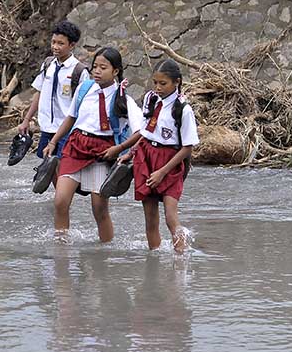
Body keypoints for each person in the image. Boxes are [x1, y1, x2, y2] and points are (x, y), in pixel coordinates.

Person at [43, 47, 143, 242]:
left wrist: (119, 149)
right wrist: (53, 142)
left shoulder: (123, 98)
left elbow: (142, 131)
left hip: (102, 152)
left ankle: (104, 254)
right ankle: (61, 248)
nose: (97, 71)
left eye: (103, 67)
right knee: (60, 201)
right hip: (75, 147)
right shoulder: (84, 89)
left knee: (99, 208)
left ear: (115, 71)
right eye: (95, 66)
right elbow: (71, 118)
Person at [123, 59, 198, 252]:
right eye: (155, 82)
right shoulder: (151, 99)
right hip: (146, 157)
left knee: (170, 217)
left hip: (169, 163)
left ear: (177, 82)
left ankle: (181, 260)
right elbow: (146, 133)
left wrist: (162, 172)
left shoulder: (183, 109)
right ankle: (154, 258)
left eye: (163, 83)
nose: (158, 87)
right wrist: (130, 153)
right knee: (150, 218)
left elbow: (186, 148)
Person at [17, 21, 90, 170]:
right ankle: (58, 193)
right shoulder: (48, 65)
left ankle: (63, 193)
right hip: (47, 127)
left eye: (61, 43)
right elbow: (39, 92)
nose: (55, 47)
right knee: (48, 166)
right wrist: (26, 120)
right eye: (53, 42)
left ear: (72, 45)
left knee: (62, 166)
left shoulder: (79, 71)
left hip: (67, 129)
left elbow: (84, 105)